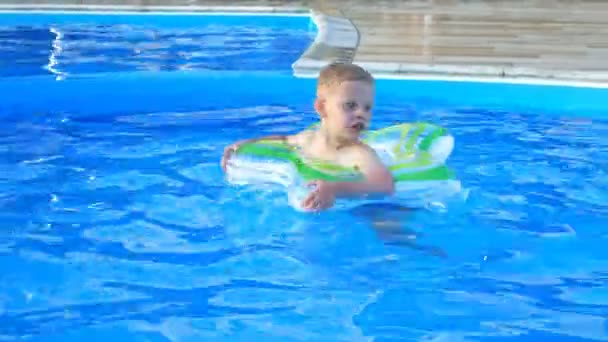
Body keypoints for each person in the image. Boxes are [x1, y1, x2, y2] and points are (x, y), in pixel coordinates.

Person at [221, 62, 395, 211]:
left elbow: (384, 184)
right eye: (350, 105)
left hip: (363, 212)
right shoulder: (309, 139)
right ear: (321, 108)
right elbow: (285, 140)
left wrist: (335, 189)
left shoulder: (357, 154)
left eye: (367, 108)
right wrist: (247, 143)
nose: (360, 114)